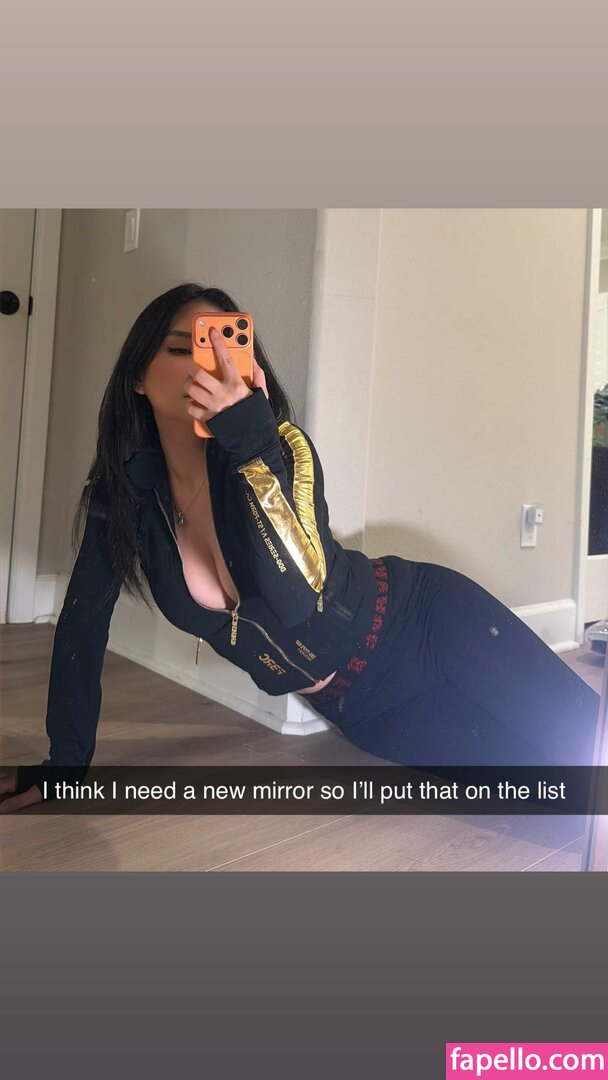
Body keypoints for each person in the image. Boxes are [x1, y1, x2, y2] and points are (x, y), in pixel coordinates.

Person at [0, 283, 601, 813]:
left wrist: (249, 442)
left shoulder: (280, 450)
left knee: (586, 755)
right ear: (138, 376)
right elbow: (82, 626)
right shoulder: (123, 496)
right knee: (550, 801)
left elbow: (295, 600)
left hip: (426, 627)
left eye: (223, 351)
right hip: (360, 710)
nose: (205, 368)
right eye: (183, 349)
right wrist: (65, 765)